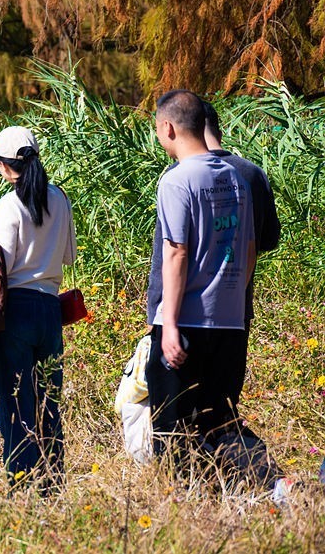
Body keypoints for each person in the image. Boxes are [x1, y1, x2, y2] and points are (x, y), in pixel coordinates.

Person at [144, 90, 257, 459]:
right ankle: (244, 495)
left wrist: (170, 324)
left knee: (172, 432)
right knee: (220, 426)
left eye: (158, 130)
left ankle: (183, 506)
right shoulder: (235, 177)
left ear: (169, 128)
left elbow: (175, 253)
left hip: (188, 323)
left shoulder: (176, 181)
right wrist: (233, 302)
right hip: (229, 323)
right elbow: (250, 247)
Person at [0, 125, 75, 491]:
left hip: (18, 309)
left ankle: (22, 483)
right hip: (50, 309)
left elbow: (3, 266)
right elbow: (68, 257)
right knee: (47, 403)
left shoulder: (9, 205)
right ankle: (52, 483)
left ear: (6, 166)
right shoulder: (60, 198)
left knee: (14, 402)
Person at [201, 99, 281, 329]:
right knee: (230, 366)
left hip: (189, 311)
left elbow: (167, 253)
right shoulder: (253, 173)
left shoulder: (178, 175)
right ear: (221, 132)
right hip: (238, 308)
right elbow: (269, 239)